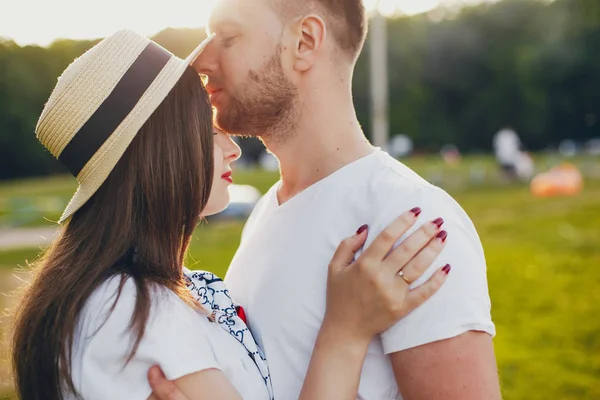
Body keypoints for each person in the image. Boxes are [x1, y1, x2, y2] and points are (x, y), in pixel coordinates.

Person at [10, 30, 450, 400]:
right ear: (159, 150)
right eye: (208, 128)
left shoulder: (142, 292)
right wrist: (346, 331)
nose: (233, 147)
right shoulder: (126, 308)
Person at [150, 0, 502, 398]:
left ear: (304, 41)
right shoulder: (270, 208)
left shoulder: (408, 220)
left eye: (228, 38)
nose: (200, 60)